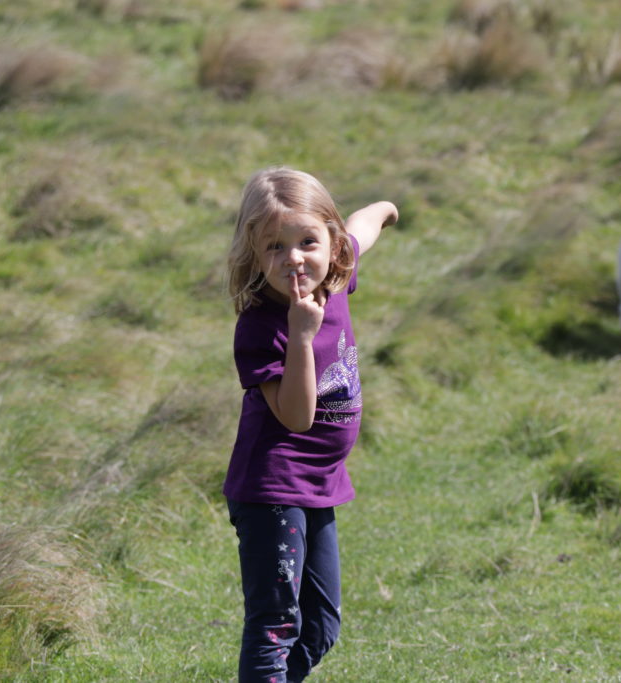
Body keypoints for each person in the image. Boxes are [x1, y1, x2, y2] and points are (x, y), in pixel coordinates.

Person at [223, 166, 397, 683]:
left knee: (320, 627)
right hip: (272, 489)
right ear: (254, 253)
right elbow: (296, 419)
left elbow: (363, 226)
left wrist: (387, 209)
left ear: (331, 241)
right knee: (275, 626)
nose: (294, 258)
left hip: (319, 485)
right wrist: (301, 336)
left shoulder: (337, 276)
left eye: (307, 241)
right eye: (274, 246)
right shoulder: (260, 324)